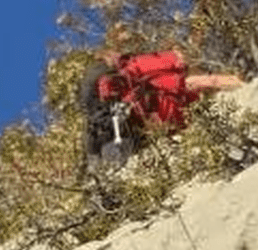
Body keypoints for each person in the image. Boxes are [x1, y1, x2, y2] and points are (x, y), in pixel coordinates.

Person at [80, 49, 244, 164]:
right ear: (109, 58)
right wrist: (176, 60)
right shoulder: (127, 68)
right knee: (205, 83)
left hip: (157, 121)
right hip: (169, 98)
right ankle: (243, 84)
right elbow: (159, 63)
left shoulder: (107, 99)